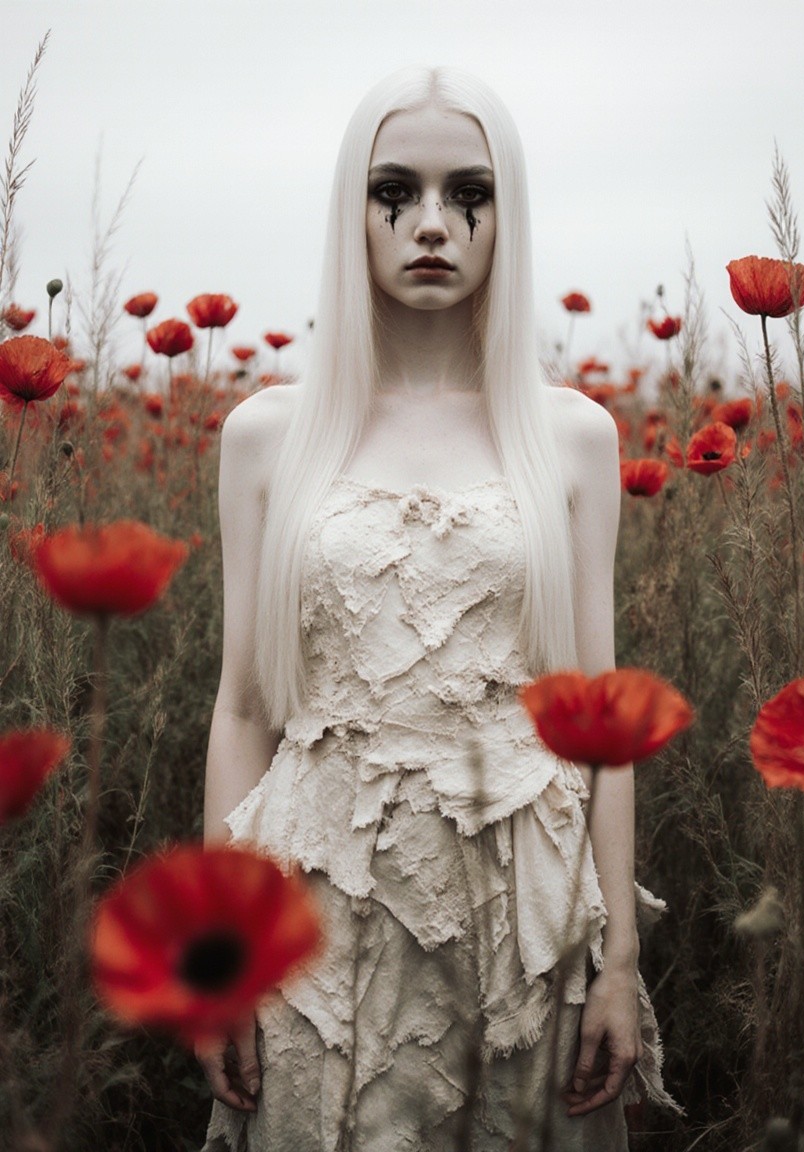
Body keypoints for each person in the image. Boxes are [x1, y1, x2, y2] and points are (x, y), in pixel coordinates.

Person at [199, 66, 675, 1152]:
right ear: (351, 212)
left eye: (469, 194)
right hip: (313, 903)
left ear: (505, 215)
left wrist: (617, 962)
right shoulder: (269, 437)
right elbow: (241, 711)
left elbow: (598, 721)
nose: (431, 225)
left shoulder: (571, 436)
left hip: (525, 909)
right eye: (393, 193)